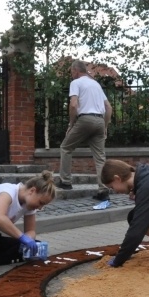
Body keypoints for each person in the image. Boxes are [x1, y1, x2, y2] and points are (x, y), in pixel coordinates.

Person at [58, 60, 113, 201]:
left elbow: (73, 105)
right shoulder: (96, 85)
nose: (71, 75)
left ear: (76, 70)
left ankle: (65, 182)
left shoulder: (76, 83)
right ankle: (103, 190)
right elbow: (109, 108)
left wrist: (71, 124)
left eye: (71, 72)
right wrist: (105, 126)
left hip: (85, 119)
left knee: (65, 147)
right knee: (100, 157)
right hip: (100, 121)